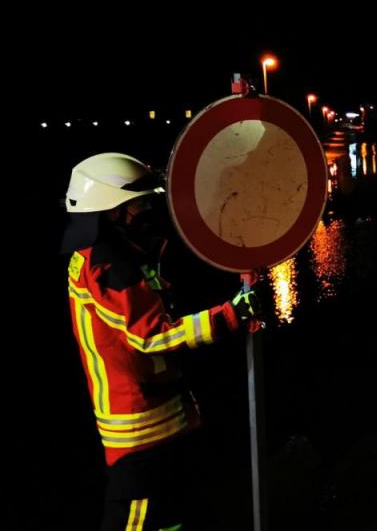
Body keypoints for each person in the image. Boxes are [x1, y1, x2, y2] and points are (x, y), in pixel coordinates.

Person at [62, 152, 260, 530]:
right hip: (139, 434)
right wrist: (230, 315)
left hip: (162, 420)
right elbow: (151, 335)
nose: (147, 210)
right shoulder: (107, 264)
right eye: (138, 203)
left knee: (170, 518)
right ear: (111, 210)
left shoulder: (118, 252)